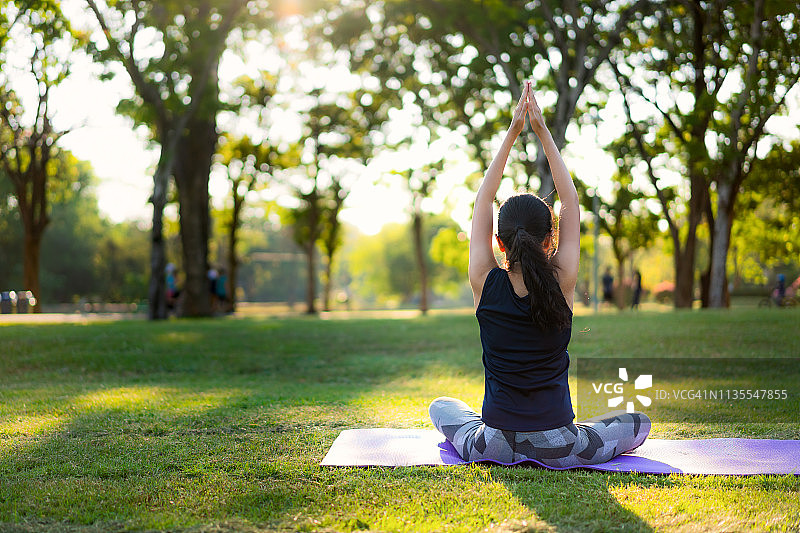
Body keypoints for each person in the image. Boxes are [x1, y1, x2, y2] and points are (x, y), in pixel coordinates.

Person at [428, 81, 650, 468]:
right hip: (560, 446)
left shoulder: (484, 279)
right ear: (551, 240)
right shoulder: (562, 280)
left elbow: (483, 198)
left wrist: (512, 134)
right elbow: (571, 202)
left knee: (442, 406)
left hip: (492, 445)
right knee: (638, 422)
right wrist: (543, 132)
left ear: (499, 241)